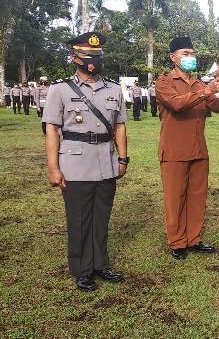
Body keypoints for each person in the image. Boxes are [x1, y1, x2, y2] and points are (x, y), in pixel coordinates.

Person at [42, 31, 128, 292]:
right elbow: (52, 131)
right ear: (75, 58)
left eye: (98, 56)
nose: (94, 60)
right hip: (75, 164)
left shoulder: (113, 89)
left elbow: (121, 127)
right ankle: (82, 270)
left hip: (106, 162)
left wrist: (123, 158)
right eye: (89, 56)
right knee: (79, 220)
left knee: (101, 218)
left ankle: (100, 264)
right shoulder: (59, 90)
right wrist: (53, 168)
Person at [155, 36, 219, 260]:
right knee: (175, 198)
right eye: (185, 53)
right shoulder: (164, 82)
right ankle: (177, 241)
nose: (190, 57)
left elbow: (218, 106)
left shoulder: (200, 83)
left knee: (197, 196)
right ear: (173, 58)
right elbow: (177, 104)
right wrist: (206, 90)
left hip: (198, 150)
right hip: (174, 151)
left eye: (192, 54)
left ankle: (193, 238)